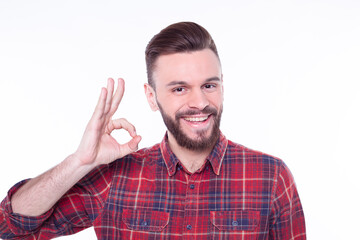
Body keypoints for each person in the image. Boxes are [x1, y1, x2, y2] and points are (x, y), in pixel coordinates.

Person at [0, 22, 306, 239]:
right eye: (179, 89)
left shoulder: (271, 176)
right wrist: (79, 162)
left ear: (223, 87)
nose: (199, 102)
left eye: (209, 85)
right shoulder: (115, 179)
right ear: (151, 97)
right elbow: (9, 228)